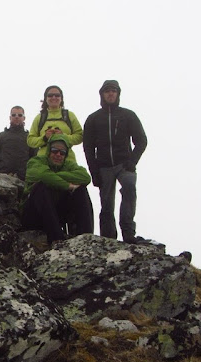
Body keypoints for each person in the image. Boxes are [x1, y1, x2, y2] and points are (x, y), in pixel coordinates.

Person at [83, 80, 148, 244]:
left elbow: (141, 140)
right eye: (107, 91)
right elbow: (88, 148)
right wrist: (94, 172)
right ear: (102, 94)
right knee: (106, 203)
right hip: (103, 167)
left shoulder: (128, 115)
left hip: (124, 164)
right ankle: (108, 238)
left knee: (129, 189)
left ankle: (128, 234)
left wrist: (132, 161)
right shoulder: (93, 119)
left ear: (118, 94)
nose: (110, 94)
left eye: (113, 91)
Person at [22, 134, 94, 244]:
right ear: (49, 151)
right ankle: (56, 239)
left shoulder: (69, 165)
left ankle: (86, 238)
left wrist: (54, 176)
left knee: (80, 189)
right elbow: (42, 176)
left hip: (56, 214)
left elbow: (85, 177)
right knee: (41, 187)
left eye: (62, 152)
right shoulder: (36, 161)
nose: (58, 155)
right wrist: (67, 185)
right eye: (54, 150)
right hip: (33, 215)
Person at [27, 85, 84, 164]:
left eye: (57, 95)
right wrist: (44, 138)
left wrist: (63, 137)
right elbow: (30, 140)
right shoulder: (39, 118)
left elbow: (80, 136)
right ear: (45, 99)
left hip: (67, 161)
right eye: (50, 95)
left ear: (61, 98)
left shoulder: (69, 115)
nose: (54, 97)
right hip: (44, 162)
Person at [0, 106, 37, 180]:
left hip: (24, 179)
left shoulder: (30, 138)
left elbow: (35, 158)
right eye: (14, 115)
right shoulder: (1, 136)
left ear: (24, 118)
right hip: (2, 178)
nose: (16, 117)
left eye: (19, 115)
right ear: (10, 117)